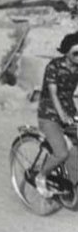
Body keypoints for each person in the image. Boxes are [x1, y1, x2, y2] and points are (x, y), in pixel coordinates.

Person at [33, 31, 78, 198]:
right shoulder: (54, 66)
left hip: (70, 112)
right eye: (75, 53)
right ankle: (41, 176)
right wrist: (62, 116)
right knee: (62, 153)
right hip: (49, 114)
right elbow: (53, 93)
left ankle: (71, 184)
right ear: (66, 52)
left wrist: (69, 115)